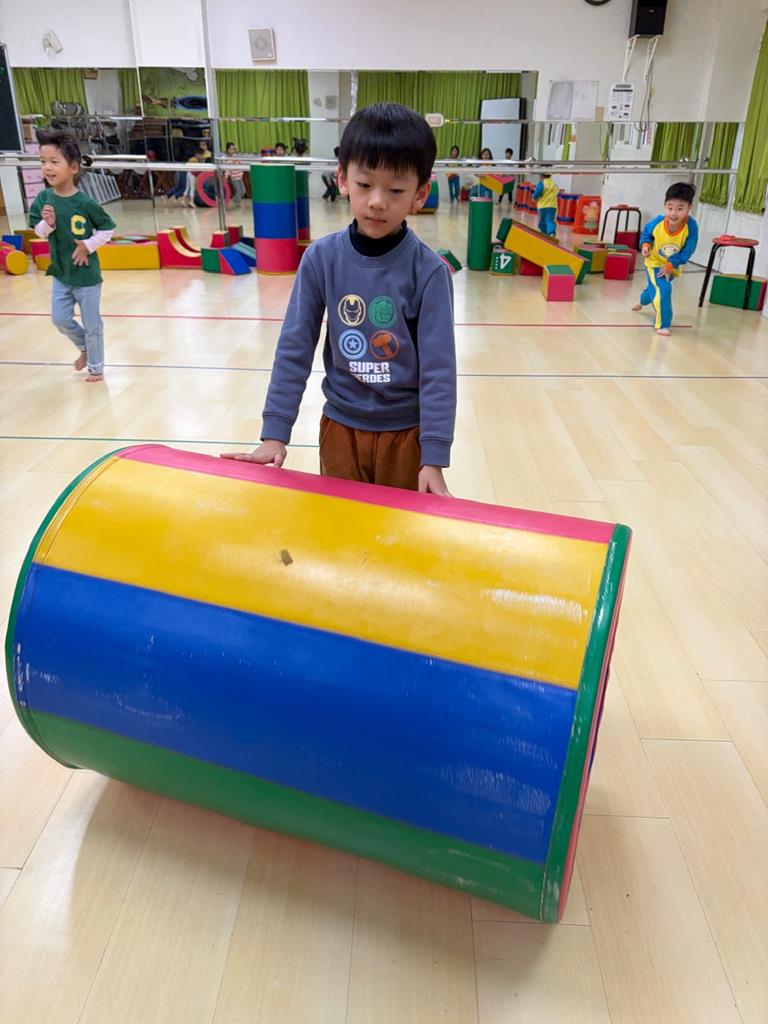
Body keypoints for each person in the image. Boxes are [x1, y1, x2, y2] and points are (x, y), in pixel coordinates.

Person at [222, 102, 456, 495]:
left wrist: (433, 456)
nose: (377, 201)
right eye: (365, 185)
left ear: (420, 194)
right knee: (341, 527)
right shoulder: (321, 258)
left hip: (406, 436)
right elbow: (295, 346)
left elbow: (439, 370)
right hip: (339, 430)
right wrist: (275, 434)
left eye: (396, 190)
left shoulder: (429, 272)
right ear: (343, 179)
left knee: (401, 528)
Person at [29, 130, 115, 382]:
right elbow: (38, 231)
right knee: (60, 319)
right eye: (43, 161)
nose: (47, 167)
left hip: (86, 276)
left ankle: (96, 366)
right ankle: (85, 348)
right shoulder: (44, 198)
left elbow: (108, 229)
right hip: (61, 273)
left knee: (92, 323)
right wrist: (48, 224)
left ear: (74, 167)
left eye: (54, 161)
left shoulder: (85, 202)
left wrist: (88, 245)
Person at [633, 182, 699, 336]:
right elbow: (646, 234)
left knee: (655, 287)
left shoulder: (691, 227)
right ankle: (663, 324)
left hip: (673, 265)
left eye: (680, 209)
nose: (673, 213)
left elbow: (688, 251)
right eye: (670, 208)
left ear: (690, 207)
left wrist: (671, 264)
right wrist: (645, 245)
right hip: (654, 261)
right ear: (664, 206)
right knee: (664, 288)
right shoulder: (658, 222)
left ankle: (642, 301)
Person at [225, 142, 246, 207]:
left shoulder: (236, 157)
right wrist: (226, 177)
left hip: (240, 177)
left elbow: (240, 164)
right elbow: (227, 170)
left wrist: (242, 171)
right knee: (239, 191)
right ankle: (237, 202)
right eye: (230, 149)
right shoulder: (227, 159)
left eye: (233, 149)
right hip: (234, 178)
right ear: (227, 150)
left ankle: (234, 199)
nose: (232, 151)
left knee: (243, 191)